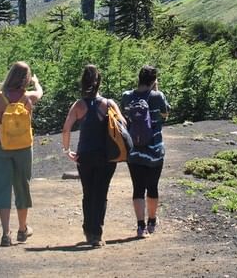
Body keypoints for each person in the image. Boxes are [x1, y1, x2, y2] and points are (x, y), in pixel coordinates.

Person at [61, 64, 126, 247]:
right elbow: (122, 123)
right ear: (99, 83)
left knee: (88, 193)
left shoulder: (78, 105)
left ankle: (88, 230)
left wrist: (67, 151)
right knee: (101, 193)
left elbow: (66, 129)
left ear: (83, 83)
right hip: (106, 155)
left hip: (85, 156)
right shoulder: (109, 104)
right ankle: (96, 234)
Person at [0, 61, 44, 247]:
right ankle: (23, 229)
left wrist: (2, 134)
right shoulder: (29, 97)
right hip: (24, 147)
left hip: (2, 147)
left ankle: (5, 233)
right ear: (25, 79)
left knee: (2, 187)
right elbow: (40, 92)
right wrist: (36, 82)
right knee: (22, 187)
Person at [120, 65, 170, 238]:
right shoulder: (158, 96)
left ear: (139, 78)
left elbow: (123, 119)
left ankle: (140, 227)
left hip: (134, 151)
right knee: (153, 187)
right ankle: (152, 221)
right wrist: (157, 90)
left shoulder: (127, 97)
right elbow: (165, 115)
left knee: (137, 188)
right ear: (153, 80)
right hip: (155, 150)